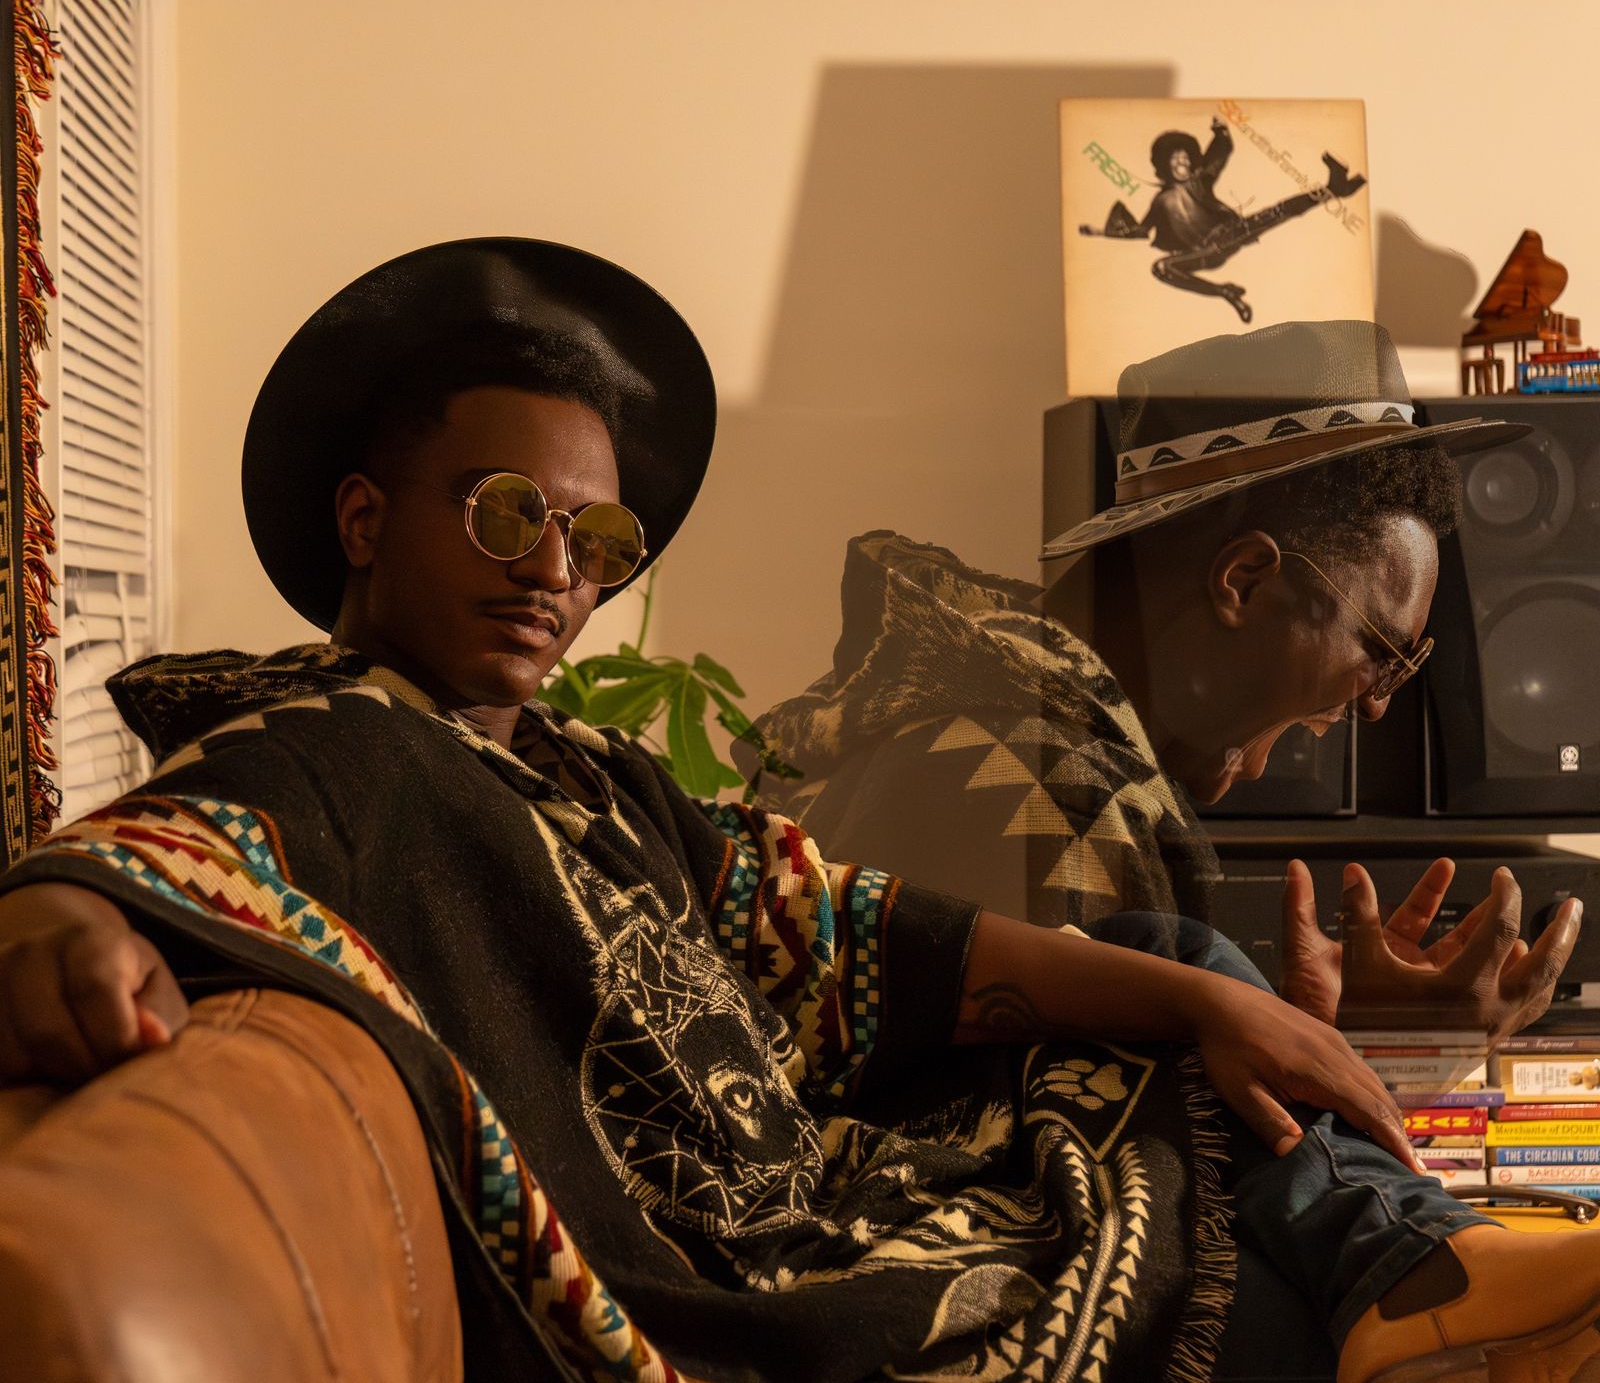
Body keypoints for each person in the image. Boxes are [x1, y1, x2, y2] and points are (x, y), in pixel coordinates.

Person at [0, 249, 1595, 1383]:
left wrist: (1215, 1004)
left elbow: (834, 928)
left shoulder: (582, 769)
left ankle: (1410, 1262)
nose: (556, 571)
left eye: (595, 540)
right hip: (757, 1278)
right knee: (1196, 1067)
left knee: (1171, 966)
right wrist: (54, 914)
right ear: (365, 519)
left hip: (843, 1184)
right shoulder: (339, 745)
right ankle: (1411, 1272)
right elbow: (158, 846)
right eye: (508, 515)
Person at [747, 321, 1577, 1038]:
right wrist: (1388, 1050)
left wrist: (1308, 1032)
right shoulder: (1047, 801)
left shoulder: (970, 731)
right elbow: (1122, 1160)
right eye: (1381, 649)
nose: (1380, 701)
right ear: (1244, 582)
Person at [1080, 117, 1366, 324]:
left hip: (1228, 234)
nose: (1182, 163)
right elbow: (1141, 231)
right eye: (1176, 160)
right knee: (1161, 267)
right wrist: (1100, 232)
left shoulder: (1199, 180)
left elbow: (1218, 155)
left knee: (1278, 212)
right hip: (1199, 253)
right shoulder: (1159, 201)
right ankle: (1224, 292)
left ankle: (1334, 188)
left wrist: (1220, 130)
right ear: (1165, 165)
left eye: (1185, 159)